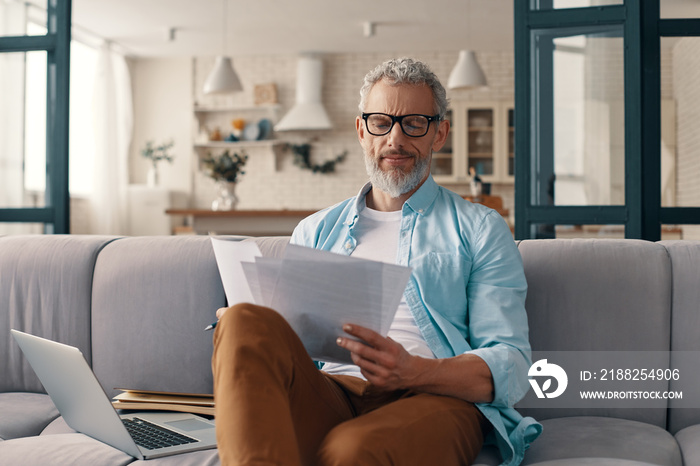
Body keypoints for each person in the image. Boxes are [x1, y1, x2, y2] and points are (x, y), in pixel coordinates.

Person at [212, 57, 541, 466]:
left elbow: (510, 365)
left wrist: (413, 371)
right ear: (362, 131)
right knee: (242, 320)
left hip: (433, 398)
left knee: (351, 450)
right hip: (331, 393)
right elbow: (296, 351)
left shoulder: (480, 228)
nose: (395, 139)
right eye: (381, 122)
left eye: (414, 123)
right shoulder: (315, 230)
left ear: (440, 133)